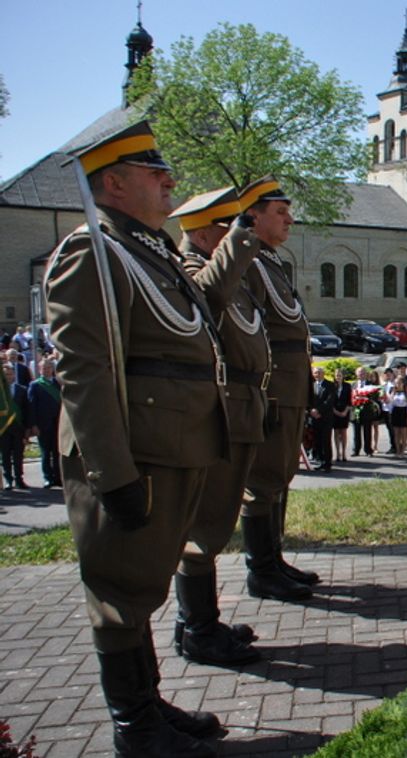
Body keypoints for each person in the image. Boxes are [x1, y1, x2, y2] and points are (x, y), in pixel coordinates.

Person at [45, 121, 225, 756]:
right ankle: (135, 728)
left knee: (144, 585)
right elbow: (85, 372)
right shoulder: (90, 252)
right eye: (155, 173)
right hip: (134, 455)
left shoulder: (144, 249)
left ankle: (147, 703)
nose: (170, 180)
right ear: (114, 184)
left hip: (171, 446)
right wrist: (111, 473)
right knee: (120, 593)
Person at [169, 186, 265, 667]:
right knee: (204, 527)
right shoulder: (190, 269)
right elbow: (207, 297)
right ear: (205, 233)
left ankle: (199, 622)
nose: (236, 237)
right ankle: (198, 629)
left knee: (216, 521)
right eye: (226, 229)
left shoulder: (219, 264)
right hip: (223, 406)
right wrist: (241, 240)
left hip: (243, 403)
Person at [239, 175, 320, 602]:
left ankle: (274, 559)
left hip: (289, 388)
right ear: (254, 215)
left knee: (280, 477)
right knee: (264, 481)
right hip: (271, 389)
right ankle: (261, 570)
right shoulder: (246, 260)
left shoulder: (267, 260)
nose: (290, 219)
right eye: (280, 212)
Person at [28, 356, 62, 487]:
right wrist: (33, 425)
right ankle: (48, 477)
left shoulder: (57, 384)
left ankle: (58, 477)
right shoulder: (35, 385)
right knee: (45, 452)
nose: (46, 370)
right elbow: (32, 406)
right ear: (39, 370)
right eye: (43, 368)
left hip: (58, 423)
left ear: (52, 369)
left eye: (48, 368)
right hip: (43, 424)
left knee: (57, 451)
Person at [0, 363, 31, 490]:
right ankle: (8, 480)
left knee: (18, 456)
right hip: (4, 429)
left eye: (10, 374)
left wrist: (29, 428)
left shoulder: (22, 390)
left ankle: (19, 479)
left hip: (18, 428)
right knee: (5, 455)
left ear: (14, 375)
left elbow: (27, 410)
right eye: (5, 374)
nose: (8, 376)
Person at [309, 366, 336, 470]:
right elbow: (309, 400)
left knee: (326, 441)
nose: (317, 375)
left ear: (323, 374)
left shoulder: (330, 385)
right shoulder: (312, 385)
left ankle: (327, 463)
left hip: (325, 418)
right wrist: (311, 410)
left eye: (319, 373)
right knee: (317, 441)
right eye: (316, 373)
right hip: (315, 418)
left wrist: (319, 411)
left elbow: (329, 401)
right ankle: (320, 461)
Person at [351, 367, 377, 456]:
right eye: (359, 373)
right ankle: (356, 450)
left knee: (367, 432)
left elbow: (374, 397)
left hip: (367, 411)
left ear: (366, 374)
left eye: (363, 372)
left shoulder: (370, 384)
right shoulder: (353, 384)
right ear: (356, 374)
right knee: (356, 433)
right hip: (356, 411)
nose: (361, 374)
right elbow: (350, 397)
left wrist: (366, 399)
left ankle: (368, 450)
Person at [389, 375, 407, 455]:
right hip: (396, 411)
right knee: (396, 433)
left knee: (403, 432)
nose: (397, 385)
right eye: (396, 383)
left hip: (404, 412)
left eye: (399, 383)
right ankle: (398, 450)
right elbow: (391, 403)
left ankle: (402, 450)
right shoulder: (394, 391)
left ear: (403, 383)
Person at [331, 367, 351, 462]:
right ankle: (337, 453)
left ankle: (343, 453)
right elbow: (330, 401)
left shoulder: (347, 386)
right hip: (334, 412)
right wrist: (335, 411)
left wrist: (345, 412)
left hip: (344, 411)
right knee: (336, 432)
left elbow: (349, 401)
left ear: (343, 376)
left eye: (340, 375)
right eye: (336, 375)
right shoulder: (332, 386)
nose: (338, 377)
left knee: (343, 432)